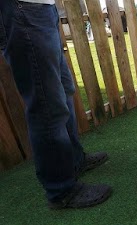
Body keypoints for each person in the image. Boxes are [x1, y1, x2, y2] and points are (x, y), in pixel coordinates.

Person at [0, 0, 112, 209]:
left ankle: (74, 161)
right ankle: (61, 190)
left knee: (64, 90)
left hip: (40, 8)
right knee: (46, 105)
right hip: (21, 8)